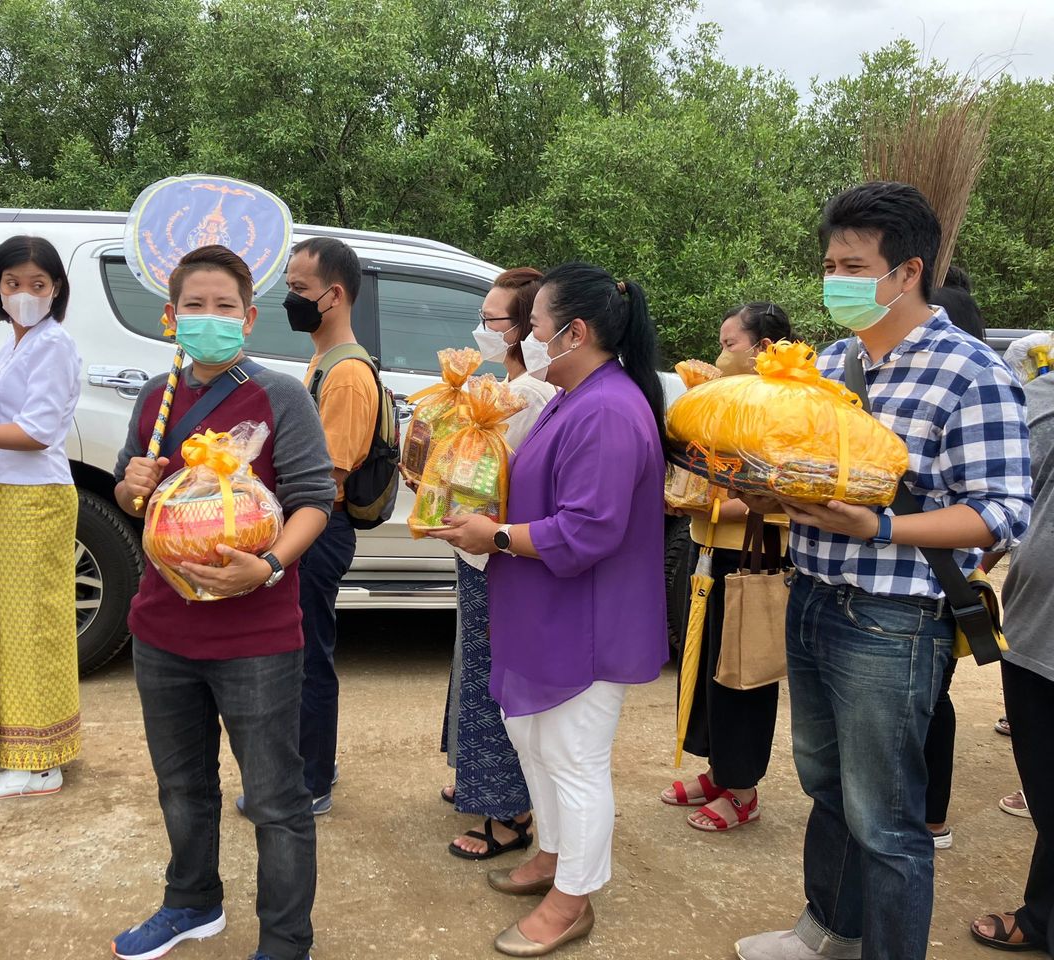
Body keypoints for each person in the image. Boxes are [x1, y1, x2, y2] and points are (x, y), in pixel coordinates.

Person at [734, 181, 1032, 960]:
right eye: (829, 265)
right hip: (812, 594)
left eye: (853, 267)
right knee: (826, 787)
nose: (835, 281)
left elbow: (1003, 512)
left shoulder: (971, 372)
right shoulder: (828, 364)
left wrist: (884, 526)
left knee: (888, 821)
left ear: (908, 272)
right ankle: (829, 932)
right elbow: (807, 470)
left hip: (892, 620)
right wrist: (768, 491)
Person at [430, 262, 668, 956]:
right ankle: (553, 857)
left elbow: (590, 529)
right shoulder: (572, 396)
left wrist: (497, 536)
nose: (525, 337)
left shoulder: (609, 409)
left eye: (534, 325)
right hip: (544, 607)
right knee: (535, 742)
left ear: (575, 332)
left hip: (585, 619)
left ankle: (574, 899)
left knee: (573, 758)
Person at [111, 245, 335, 960]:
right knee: (181, 785)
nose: (209, 318)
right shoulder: (156, 398)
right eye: (195, 306)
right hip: (162, 628)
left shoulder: (280, 397)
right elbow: (132, 497)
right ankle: (191, 902)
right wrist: (130, 485)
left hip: (255, 636)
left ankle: (286, 939)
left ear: (249, 317)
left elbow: (314, 500)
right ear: (171, 315)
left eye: (225, 306)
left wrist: (266, 567)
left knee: (275, 799)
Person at [662, 302, 794, 833]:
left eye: (730, 343)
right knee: (703, 665)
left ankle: (743, 789)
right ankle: (719, 770)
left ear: (765, 348)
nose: (721, 354)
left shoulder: (785, 407)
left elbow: (784, 491)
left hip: (753, 555)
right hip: (707, 549)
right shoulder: (727, 399)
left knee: (742, 672)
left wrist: (711, 506)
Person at [440, 267, 556, 860]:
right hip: (480, 551)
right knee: (475, 670)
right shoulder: (505, 387)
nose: (482, 328)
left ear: (526, 328)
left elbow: (492, 480)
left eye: (492, 319)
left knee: (493, 679)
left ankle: (509, 813)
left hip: (498, 555)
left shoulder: (529, 395)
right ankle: (478, 781)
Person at [0, 236, 83, 800]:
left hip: (35, 497)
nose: (25, 294)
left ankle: (39, 764)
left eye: (38, 284)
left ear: (56, 289)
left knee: (31, 627)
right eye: (14, 283)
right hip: (5, 494)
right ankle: (15, 747)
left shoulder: (52, 344)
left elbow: (36, 432)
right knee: (6, 625)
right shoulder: (12, 343)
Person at [273, 236, 379, 815]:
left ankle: (309, 784)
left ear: (333, 296)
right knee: (299, 653)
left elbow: (327, 477)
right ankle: (313, 765)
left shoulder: (347, 375)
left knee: (308, 658)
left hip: (319, 529)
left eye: (299, 289)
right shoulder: (325, 361)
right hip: (310, 526)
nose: (289, 299)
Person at [969, 370, 1054, 953]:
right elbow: (1010, 499)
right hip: (1043, 634)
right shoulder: (1045, 397)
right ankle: (1043, 913)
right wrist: (970, 568)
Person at [920, 281, 990, 849]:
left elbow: (997, 512)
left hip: (940, 586)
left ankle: (931, 817)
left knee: (932, 701)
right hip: (953, 577)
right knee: (932, 701)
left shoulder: (973, 382)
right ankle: (929, 815)